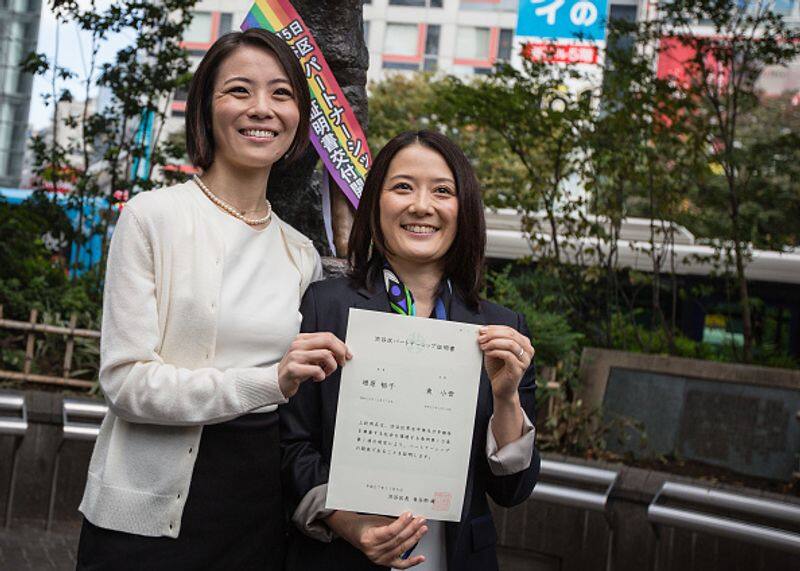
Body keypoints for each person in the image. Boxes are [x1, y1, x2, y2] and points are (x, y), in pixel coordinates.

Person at [75, 29, 349, 570]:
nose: (261, 109)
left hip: (256, 513)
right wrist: (268, 382)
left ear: (299, 120)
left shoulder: (301, 255)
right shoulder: (153, 217)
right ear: (206, 108)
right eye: (239, 91)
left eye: (281, 94)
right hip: (145, 518)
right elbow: (126, 382)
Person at [280, 131, 540, 571]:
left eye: (443, 190)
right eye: (403, 187)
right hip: (340, 556)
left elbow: (512, 492)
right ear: (376, 202)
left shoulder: (502, 329)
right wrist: (350, 523)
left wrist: (506, 397)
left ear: (465, 210)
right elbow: (291, 443)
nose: (422, 205)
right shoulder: (323, 306)